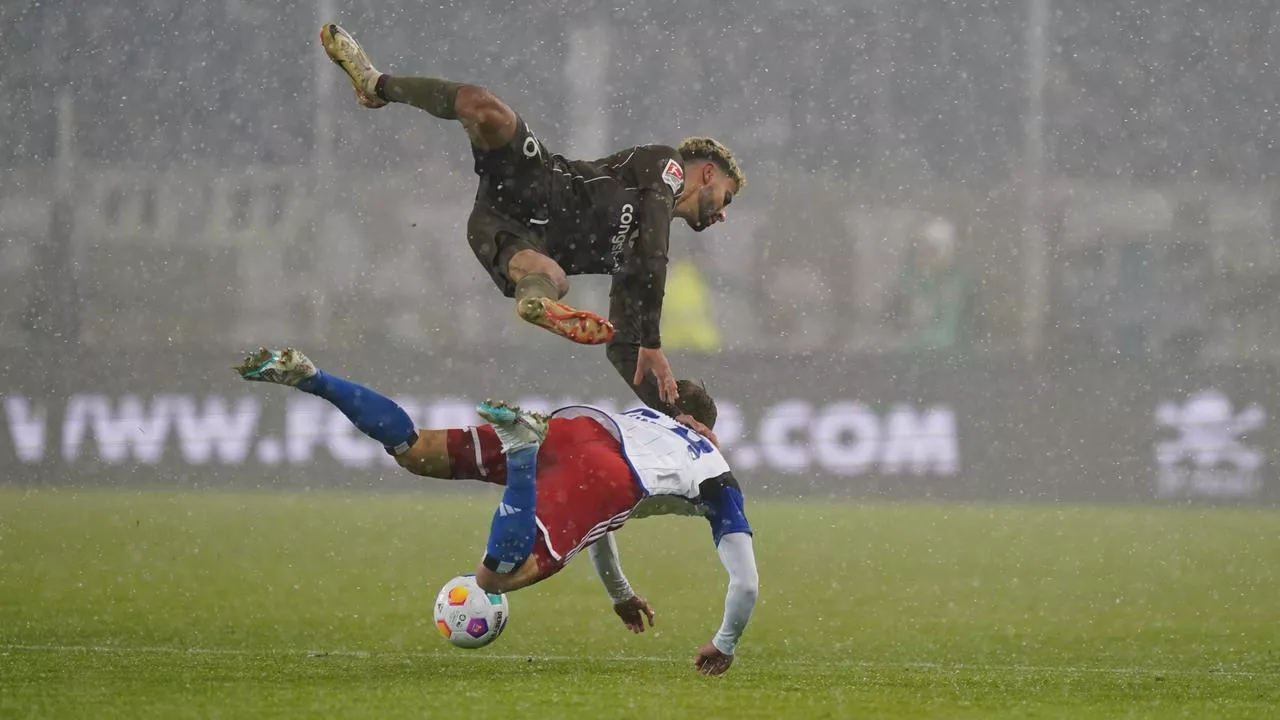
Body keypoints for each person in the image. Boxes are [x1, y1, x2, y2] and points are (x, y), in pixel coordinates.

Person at [236, 347, 758, 676]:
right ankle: (521, 452)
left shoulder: (644, 416)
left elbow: (599, 526)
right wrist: (725, 643)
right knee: (494, 578)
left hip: (578, 428)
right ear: (704, 426)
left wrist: (620, 593)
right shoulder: (716, 474)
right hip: (609, 473)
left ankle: (314, 377)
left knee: (417, 451)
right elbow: (747, 583)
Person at [319, 24, 745, 409]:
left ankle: (534, 303)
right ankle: (377, 85)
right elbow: (654, 245)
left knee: (550, 276)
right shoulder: (664, 167)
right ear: (708, 173)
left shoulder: (639, 257)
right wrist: (653, 339)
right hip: (538, 182)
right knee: (483, 107)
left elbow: (622, 349)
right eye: (726, 198)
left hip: (502, 230)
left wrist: (673, 411)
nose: (723, 215)